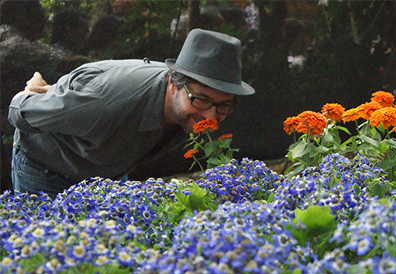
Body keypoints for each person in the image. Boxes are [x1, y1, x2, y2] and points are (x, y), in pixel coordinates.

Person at [8, 28, 255, 199]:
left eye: (224, 106)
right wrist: (31, 91)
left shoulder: (187, 102)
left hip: (107, 172)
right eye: (202, 100)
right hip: (46, 168)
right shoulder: (99, 105)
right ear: (172, 83)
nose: (211, 117)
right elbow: (20, 111)